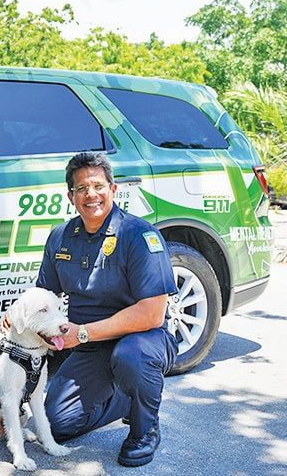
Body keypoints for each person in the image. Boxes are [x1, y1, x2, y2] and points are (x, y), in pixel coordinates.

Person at [38, 151, 178, 467]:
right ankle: (125, 400)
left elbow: (152, 314)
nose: (91, 195)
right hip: (92, 348)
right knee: (56, 425)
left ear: (113, 190)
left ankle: (145, 429)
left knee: (130, 357)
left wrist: (83, 333)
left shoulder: (138, 235)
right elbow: (44, 295)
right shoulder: (61, 237)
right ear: (71, 195)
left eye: (98, 186)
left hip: (144, 340)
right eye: (82, 188)